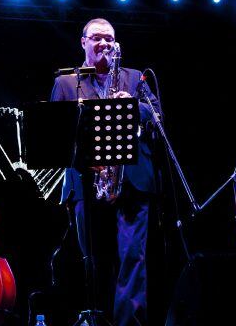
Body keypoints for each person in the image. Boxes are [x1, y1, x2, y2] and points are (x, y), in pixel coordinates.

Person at [51, 18, 161, 326]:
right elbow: (56, 134)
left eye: (109, 38)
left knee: (133, 258)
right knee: (93, 259)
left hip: (132, 180)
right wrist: (81, 159)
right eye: (97, 38)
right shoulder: (66, 81)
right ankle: (96, 317)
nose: (104, 44)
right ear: (83, 42)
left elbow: (157, 119)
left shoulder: (136, 77)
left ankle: (129, 322)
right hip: (87, 180)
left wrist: (135, 106)